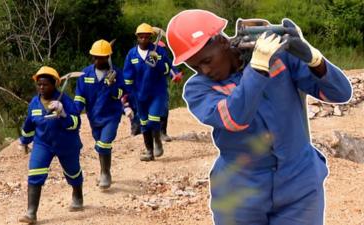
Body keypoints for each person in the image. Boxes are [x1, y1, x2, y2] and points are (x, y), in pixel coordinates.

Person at [166, 10, 352, 225]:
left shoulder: (280, 59)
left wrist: (314, 58)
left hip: (299, 184)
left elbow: (340, 93)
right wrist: (257, 69)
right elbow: (236, 118)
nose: (204, 70)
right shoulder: (198, 89)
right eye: (195, 66)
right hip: (240, 194)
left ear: (222, 41)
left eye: (207, 60)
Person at [18, 66, 83, 224]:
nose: (41, 87)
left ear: (55, 84)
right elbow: (29, 125)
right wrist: (24, 141)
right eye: (39, 84)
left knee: (73, 172)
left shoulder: (64, 100)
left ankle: (77, 193)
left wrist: (63, 114)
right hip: (43, 144)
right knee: (35, 174)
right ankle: (31, 213)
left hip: (66, 143)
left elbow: (76, 123)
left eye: (45, 84)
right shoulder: (34, 103)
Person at [74, 39, 125, 189]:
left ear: (108, 57)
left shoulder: (116, 74)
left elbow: (120, 94)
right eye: (96, 57)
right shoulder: (85, 74)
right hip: (94, 117)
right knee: (100, 143)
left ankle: (105, 174)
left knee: (104, 144)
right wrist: (73, 112)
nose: (98, 60)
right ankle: (103, 170)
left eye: (102, 57)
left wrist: (112, 85)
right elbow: (80, 98)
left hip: (111, 116)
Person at [123, 23, 171, 161]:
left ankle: (158, 143)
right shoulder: (132, 54)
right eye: (141, 37)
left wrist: (158, 64)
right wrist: (127, 95)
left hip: (157, 93)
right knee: (143, 123)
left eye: (146, 37)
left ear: (151, 37)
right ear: (137, 37)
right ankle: (149, 151)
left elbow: (167, 69)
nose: (144, 39)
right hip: (139, 94)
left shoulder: (159, 52)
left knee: (153, 119)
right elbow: (127, 76)